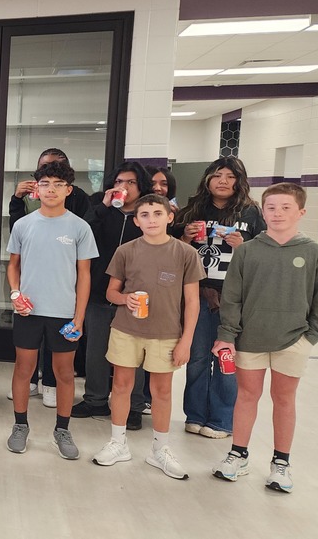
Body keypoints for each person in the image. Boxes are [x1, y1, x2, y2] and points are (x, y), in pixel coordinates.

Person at [212, 183, 318, 493]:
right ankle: (238, 455)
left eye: (286, 207)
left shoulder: (316, 253)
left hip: (294, 341)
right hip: (250, 339)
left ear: (301, 212)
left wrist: (310, 338)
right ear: (263, 212)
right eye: (271, 208)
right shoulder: (247, 250)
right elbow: (232, 298)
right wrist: (227, 336)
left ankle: (281, 463)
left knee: (284, 399)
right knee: (247, 397)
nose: (277, 213)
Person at [90, 194, 202, 479]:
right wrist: (124, 299)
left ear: (169, 217)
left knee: (162, 391)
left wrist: (186, 340)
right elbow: (110, 292)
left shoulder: (185, 253)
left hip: (166, 333)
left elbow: (192, 302)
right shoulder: (126, 251)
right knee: (123, 384)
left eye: (156, 213)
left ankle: (160, 449)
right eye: (145, 215)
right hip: (127, 330)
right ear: (136, 221)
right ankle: (118, 442)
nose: (151, 219)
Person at [6, 161, 97, 459]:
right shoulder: (23, 225)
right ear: (37, 188)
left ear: (68, 190)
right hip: (29, 312)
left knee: (64, 374)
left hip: (64, 314)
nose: (51, 189)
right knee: (23, 369)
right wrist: (16, 294)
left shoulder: (79, 227)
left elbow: (84, 276)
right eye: (45, 183)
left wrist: (79, 317)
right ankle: (20, 425)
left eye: (59, 184)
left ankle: (62, 429)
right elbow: (13, 267)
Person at [175, 157, 265, 439]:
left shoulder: (251, 213)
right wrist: (186, 237)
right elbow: (173, 252)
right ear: (207, 180)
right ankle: (195, 415)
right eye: (217, 175)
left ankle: (222, 420)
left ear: (239, 180)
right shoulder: (193, 210)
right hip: (198, 293)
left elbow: (263, 254)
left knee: (227, 358)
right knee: (198, 357)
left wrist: (244, 245)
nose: (223, 181)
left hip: (235, 297)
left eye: (229, 176)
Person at [72, 162, 153, 429]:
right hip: (98, 290)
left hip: (136, 296)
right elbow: (82, 234)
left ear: (141, 186)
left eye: (130, 182)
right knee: (96, 350)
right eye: (119, 182)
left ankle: (134, 405)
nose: (124, 187)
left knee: (134, 354)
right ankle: (95, 399)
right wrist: (103, 207)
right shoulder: (101, 209)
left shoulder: (148, 214)